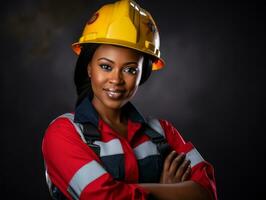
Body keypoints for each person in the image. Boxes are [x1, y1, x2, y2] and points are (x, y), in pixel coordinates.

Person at [42, 0, 217, 199]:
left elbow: (207, 193)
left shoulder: (163, 132)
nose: (116, 80)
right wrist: (168, 191)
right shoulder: (63, 133)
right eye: (106, 66)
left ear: (143, 74)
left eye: (130, 70)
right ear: (88, 67)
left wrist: (135, 191)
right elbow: (101, 197)